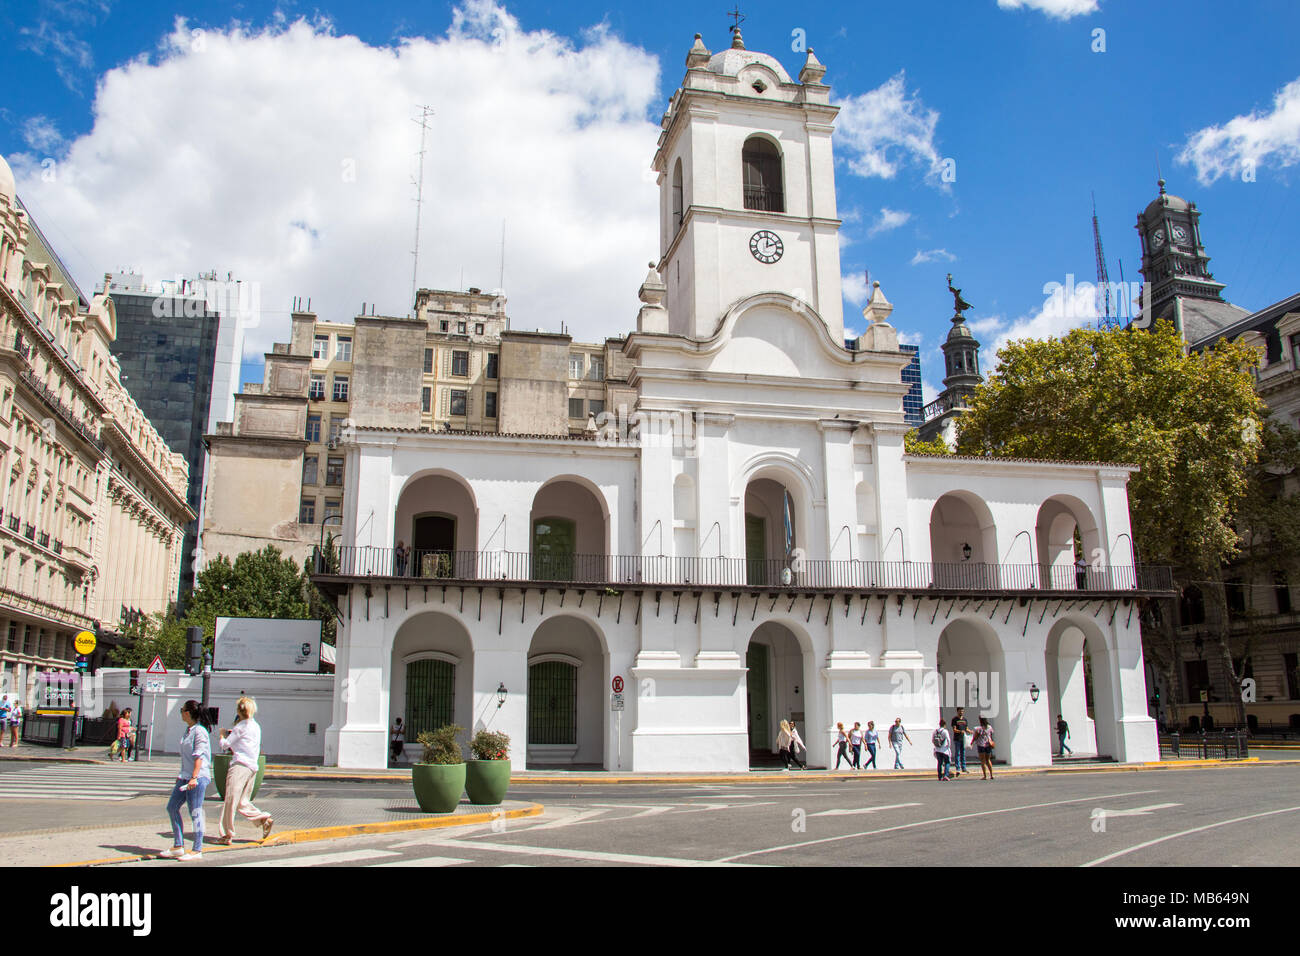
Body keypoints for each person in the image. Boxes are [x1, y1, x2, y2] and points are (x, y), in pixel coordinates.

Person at [214, 696, 273, 845]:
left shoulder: (240, 727)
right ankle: (263, 819)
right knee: (242, 801)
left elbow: (225, 745)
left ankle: (226, 834)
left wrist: (221, 735)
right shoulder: (255, 726)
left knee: (230, 801)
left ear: (238, 711)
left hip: (239, 766)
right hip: (252, 767)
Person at [160, 700, 212, 861]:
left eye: (181, 710)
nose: (181, 713)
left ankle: (197, 849)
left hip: (197, 778)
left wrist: (194, 777)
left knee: (195, 811)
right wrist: (182, 775)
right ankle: (178, 845)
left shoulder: (199, 732)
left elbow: (199, 757)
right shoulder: (188, 730)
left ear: (188, 713)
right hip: (185, 777)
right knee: (172, 807)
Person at [951, 707, 969, 777]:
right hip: (957, 739)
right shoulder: (954, 719)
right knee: (957, 753)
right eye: (960, 711)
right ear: (957, 711)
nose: (961, 712)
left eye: (962, 711)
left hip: (963, 739)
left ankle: (964, 767)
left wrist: (970, 731)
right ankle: (958, 768)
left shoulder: (965, 720)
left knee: (963, 753)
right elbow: (954, 729)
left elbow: (966, 728)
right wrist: (960, 731)